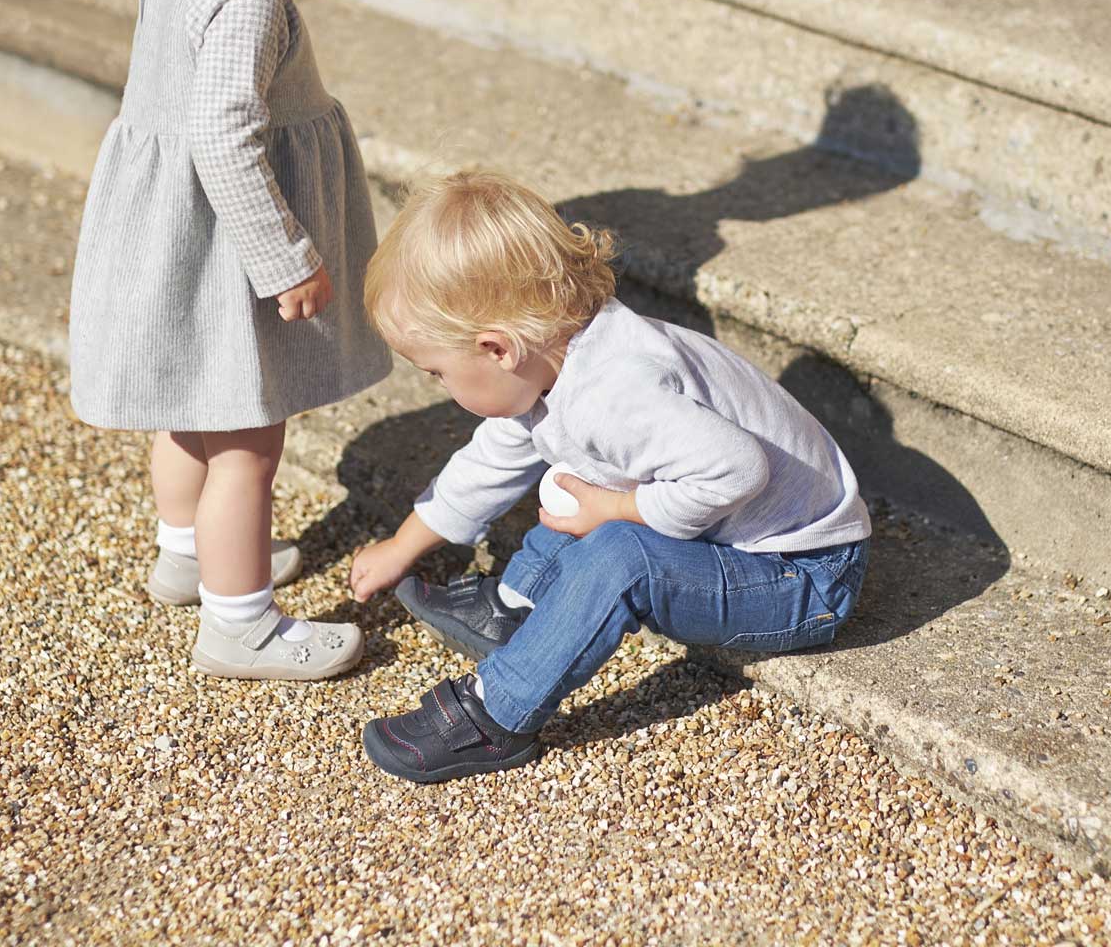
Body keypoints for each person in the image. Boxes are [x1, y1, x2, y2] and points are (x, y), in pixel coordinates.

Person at [349, 172, 871, 780]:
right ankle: (518, 611)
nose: (438, 385)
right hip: (742, 538)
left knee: (620, 550)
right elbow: (492, 458)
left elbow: (737, 470)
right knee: (581, 481)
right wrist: (404, 545)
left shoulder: (614, 396)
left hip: (804, 577)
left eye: (435, 372)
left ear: (497, 349)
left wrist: (617, 511)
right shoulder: (562, 353)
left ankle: (496, 717)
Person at [68, 0, 401, 680]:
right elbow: (223, 137)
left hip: (171, 236)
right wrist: (285, 254)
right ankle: (241, 621)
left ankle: (187, 554)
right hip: (226, 244)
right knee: (247, 439)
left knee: (185, 410)